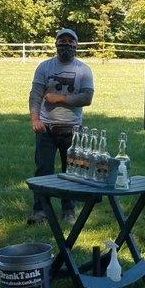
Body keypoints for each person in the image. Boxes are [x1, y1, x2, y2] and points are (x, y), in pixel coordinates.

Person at [27, 28, 94, 225]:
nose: (66, 44)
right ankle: (40, 211)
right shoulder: (44, 67)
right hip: (46, 128)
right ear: (56, 44)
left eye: (70, 41)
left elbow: (87, 98)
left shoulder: (83, 69)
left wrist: (60, 98)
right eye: (61, 41)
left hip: (72, 129)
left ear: (76, 45)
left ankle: (68, 212)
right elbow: (35, 94)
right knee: (43, 171)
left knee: (71, 173)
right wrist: (35, 119)